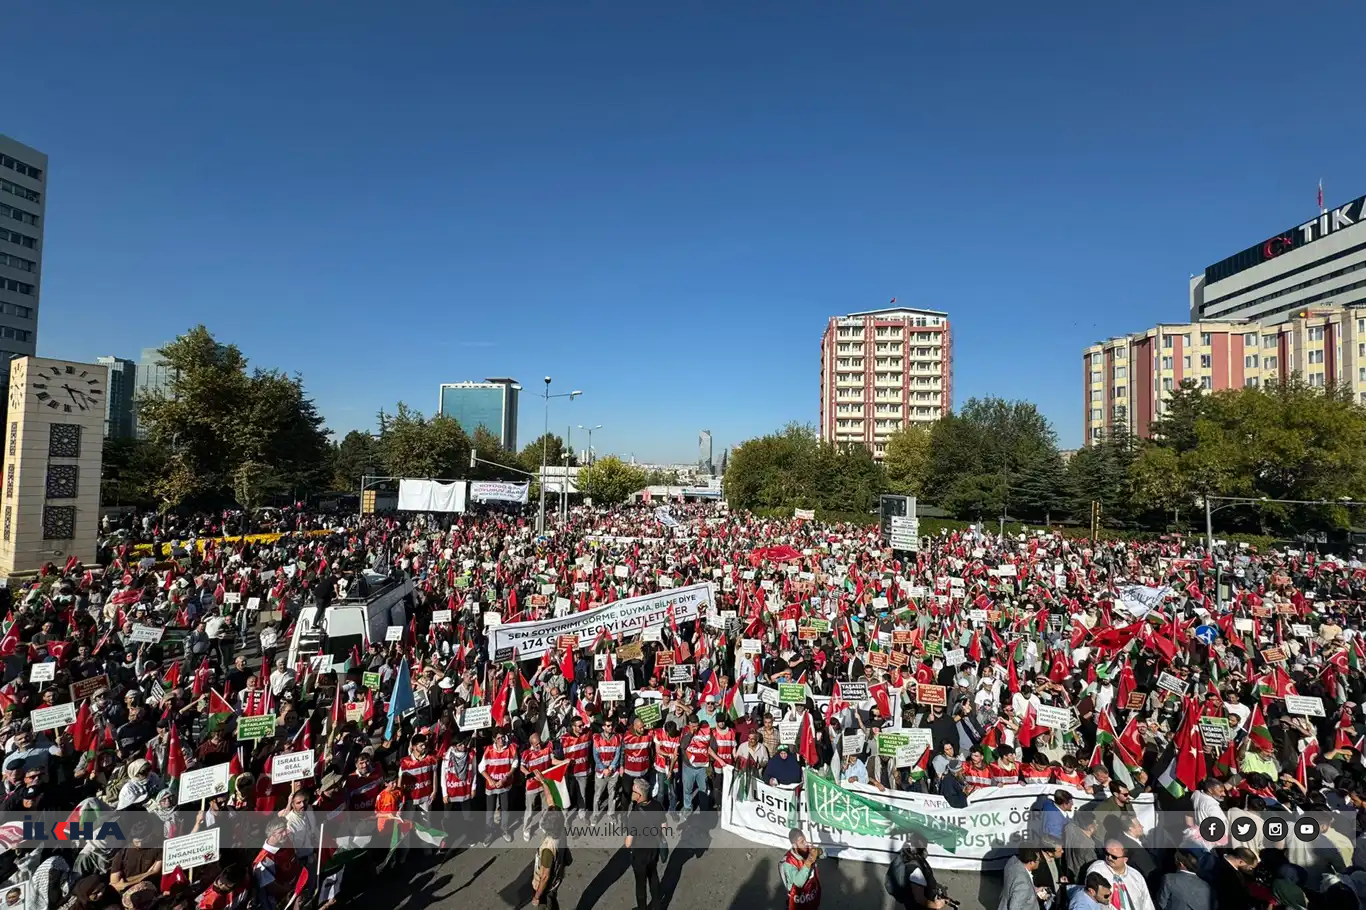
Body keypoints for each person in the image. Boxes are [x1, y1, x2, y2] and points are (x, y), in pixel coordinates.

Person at [625, 777, 663, 910]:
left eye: (634, 791)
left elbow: (628, 843)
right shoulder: (657, 805)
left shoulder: (634, 814)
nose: (631, 792)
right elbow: (664, 826)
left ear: (640, 795)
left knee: (640, 884)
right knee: (653, 876)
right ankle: (657, 905)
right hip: (654, 850)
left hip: (639, 854)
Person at [1085, 840, 1155, 910]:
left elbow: (1147, 902)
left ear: (1125, 859)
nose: (1109, 858)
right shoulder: (1097, 870)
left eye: (1114, 857)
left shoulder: (1135, 876)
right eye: (1107, 853)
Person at [531, 812, 568, 910]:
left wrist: (537, 896)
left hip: (546, 887)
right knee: (553, 899)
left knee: (546, 904)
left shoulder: (548, 848)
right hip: (557, 877)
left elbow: (545, 877)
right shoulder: (562, 831)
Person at [780, 828, 822, 910]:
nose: (806, 843)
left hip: (811, 896)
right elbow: (798, 883)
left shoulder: (808, 851)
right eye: (802, 842)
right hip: (798, 901)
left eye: (805, 840)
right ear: (795, 845)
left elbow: (824, 853)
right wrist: (808, 863)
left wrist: (818, 851)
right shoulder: (789, 862)